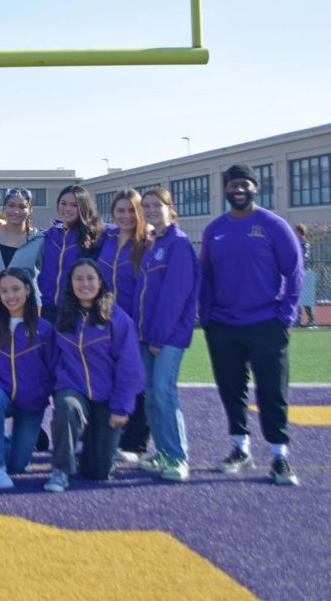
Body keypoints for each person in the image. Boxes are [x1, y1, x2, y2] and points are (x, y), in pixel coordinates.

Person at [200, 164, 303, 486]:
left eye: (244, 184)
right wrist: (207, 317)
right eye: (233, 185)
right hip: (223, 325)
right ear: (226, 189)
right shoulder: (214, 229)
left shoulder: (273, 225)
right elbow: (206, 276)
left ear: (255, 188)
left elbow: (294, 271)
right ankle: (240, 448)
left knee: (272, 392)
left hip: (266, 323)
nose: (239, 189)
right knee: (231, 389)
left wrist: (286, 315)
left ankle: (280, 455)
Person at [43, 260, 145, 493]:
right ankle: (60, 470)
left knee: (98, 472)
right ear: (70, 284)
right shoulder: (64, 318)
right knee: (66, 406)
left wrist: (121, 408)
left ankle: (90, 444)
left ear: (100, 282)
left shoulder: (117, 319)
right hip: (73, 389)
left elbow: (130, 368)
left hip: (107, 397)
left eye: (90, 278)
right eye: (78, 279)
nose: (85, 284)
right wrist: (57, 385)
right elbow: (52, 359)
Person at [135, 188, 199, 483]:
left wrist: (158, 337)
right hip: (147, 335)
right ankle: (162, 451)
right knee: (151, 396)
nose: (149, 210)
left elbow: (175, 296)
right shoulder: (152, 243)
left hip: (167, 337)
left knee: (164, 392)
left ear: (170, 209)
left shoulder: (179, 244)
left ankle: (177, 455)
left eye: (156, 205)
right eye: (145, 205)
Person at [0, 268, 55, 490]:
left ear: (28, 290)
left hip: (31, 403)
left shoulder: (45, 330)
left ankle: (9, 440)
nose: (10, 296)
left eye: (16, 289)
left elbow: (56, 369)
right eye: (4, 291)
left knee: (18, 466)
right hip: (1, 396)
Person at [96, 189, 150, 464]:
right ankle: (104, 437)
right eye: (121, 210)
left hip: (136, 324)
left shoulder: (147, 241)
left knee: (137, 382)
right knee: (108, 380)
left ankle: (136, 444)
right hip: (106, 324)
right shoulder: (107, 237)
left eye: (132, 210)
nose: (126, 216)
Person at [39, 184, 104, 323]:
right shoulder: (47, 236)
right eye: (63, 203)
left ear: (83, 207)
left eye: (74, 205)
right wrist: (0, 223)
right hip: (47, 310)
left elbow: (118, 229)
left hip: (76, 312)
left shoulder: (94, 236)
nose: (67, 209)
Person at [0, 189, 46, 318]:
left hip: (23, 308)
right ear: (4, 208)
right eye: (11, 205)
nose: (16, 211)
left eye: (22, 207)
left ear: (30, 210)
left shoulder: (39, 239)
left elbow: (45, 276)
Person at [293, 223, 318, 328]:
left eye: (296, 231)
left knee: (306, 298)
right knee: (296, 297)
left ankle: (312, 321)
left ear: (300, 232)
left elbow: (302, 258)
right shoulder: (296, 243)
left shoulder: (304, 244)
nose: (294, 232)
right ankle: (298, 320)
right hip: (296, 273)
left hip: (304, 273)